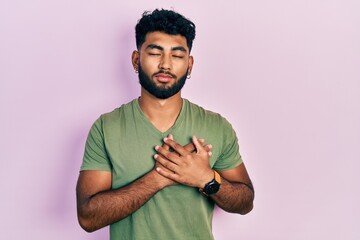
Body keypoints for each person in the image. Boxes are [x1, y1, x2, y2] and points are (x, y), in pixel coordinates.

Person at [76, 8, 254, 240]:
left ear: (189, 65)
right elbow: (88, 218)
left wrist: (206, 179)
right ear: (136, 59)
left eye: (177, 55)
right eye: (155, 53)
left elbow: (245, 202)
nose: (166, 65)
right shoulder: (106, 128)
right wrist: (160, 177)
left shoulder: (216, 126)